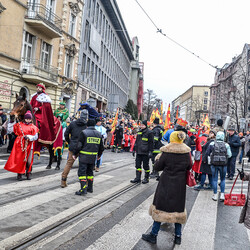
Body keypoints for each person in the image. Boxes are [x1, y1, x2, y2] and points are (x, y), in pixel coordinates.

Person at [142, 131, 192, 245]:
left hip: (166, 183)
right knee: (178, 209)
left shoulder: (167, 151)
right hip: (180, 184)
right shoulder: (186, 151)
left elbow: (158, 167)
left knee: (160, 208)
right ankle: (178, 236)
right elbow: (190, 165)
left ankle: (153, 235)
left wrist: (158, 159)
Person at [4, 111, 39, 180]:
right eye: (27, 119)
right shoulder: (19, 125)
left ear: (31, 119)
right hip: (20, 145)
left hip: (30, 145)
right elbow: (11, 131)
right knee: (20, 160)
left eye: (29, 119)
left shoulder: (33, 127)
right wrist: (11, 121)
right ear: (24, 119)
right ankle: (19, 174)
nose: (28, 120)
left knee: (29, 161)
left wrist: (29, 137)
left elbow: (36, 136)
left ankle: (28, 173)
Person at [73, 119, 104, 195]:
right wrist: (99, 155)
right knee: (90, 172)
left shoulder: (84, 133)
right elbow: (101, 147)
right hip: (93, 157)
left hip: (84, 156)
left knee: (82, 173)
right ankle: (90, 188)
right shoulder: (99, 134)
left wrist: (75, 154)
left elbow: (79, 145)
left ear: (87, 125)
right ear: (94, 125)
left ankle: (83, 189)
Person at [61, 110, 88, 188]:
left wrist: (69, 142)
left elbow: (66, 133)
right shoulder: (86, 125)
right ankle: (84, 183)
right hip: (83, 147)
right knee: (83, 165)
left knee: (69, 163)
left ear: (80, 115)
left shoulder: (73, 123)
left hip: (73, 146)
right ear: (86, 117)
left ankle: (63, 180)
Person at [206, 131, 232, 201]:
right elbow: (229, 155)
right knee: (223, 179)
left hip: (214, 164)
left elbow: (207, 153)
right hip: (223, 165)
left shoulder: (212, 143)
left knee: (215, 179)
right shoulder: (226, 145)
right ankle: (222, 195)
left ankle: (215, 195)